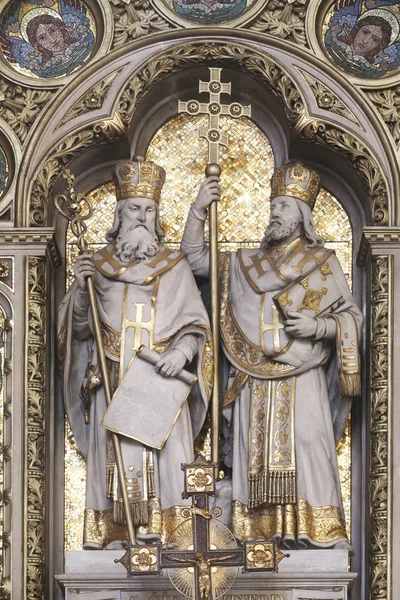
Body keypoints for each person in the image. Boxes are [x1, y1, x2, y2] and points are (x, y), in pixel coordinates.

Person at [181, 161, 362, 549]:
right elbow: (195, 260)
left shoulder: (323, 263)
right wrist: (199, 209)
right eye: (273, 204)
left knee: (310, 447)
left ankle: (318, 535)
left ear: (302, 215)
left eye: (283, 205)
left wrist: (318, 328)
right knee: (252, 456)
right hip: (250, 375)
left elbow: (351, 318)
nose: (274, 212)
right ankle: (256, 536)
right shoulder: (242, 263)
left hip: (302, 373)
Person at [58, 159, 212, 548]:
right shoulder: (98, 267)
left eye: (149, 209)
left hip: (160, 381)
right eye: (134, 209)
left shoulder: (174, 267)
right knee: (111, 455)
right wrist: (80, 288)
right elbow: (78, 329)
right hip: (111, 379)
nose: (142, 217)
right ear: (119, 214)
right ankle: (112, 535)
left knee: (168, 459)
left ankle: (171, 536)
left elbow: (196, 325)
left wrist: (180, 354)